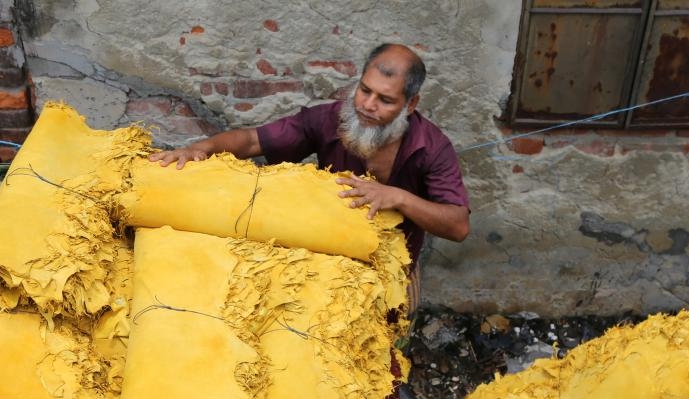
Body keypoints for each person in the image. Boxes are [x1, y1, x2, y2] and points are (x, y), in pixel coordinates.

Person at [149, 43, 470, 267]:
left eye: (385, 100)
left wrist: (398, 197)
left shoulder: (432, 147)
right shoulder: (329, 119)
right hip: (327, 250)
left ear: (410, 104)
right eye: (364, 90)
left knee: (387, 348)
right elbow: (251, 141)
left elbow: (458, 227)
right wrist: (200, 148)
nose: (368, 105)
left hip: (394, 261)